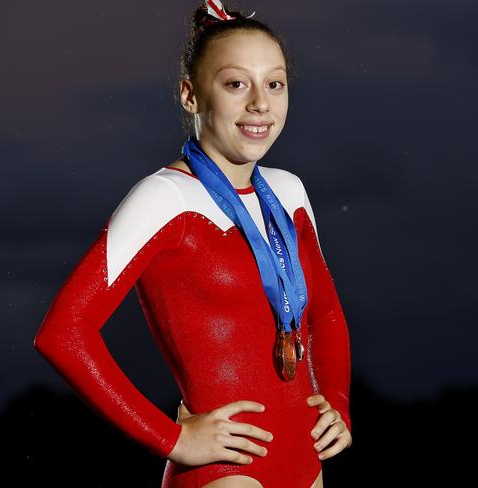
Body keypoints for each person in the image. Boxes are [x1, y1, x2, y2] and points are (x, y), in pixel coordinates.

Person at [33, 1, 352, 487]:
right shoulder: (164, 197)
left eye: (275, 83)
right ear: (190, 95)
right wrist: (172, 439)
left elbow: (324, 315)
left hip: (308, 462)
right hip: (225, 473)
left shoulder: (289, 192)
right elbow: (63, 333)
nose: (260, 104)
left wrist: (338, 402)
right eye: (235, 84)